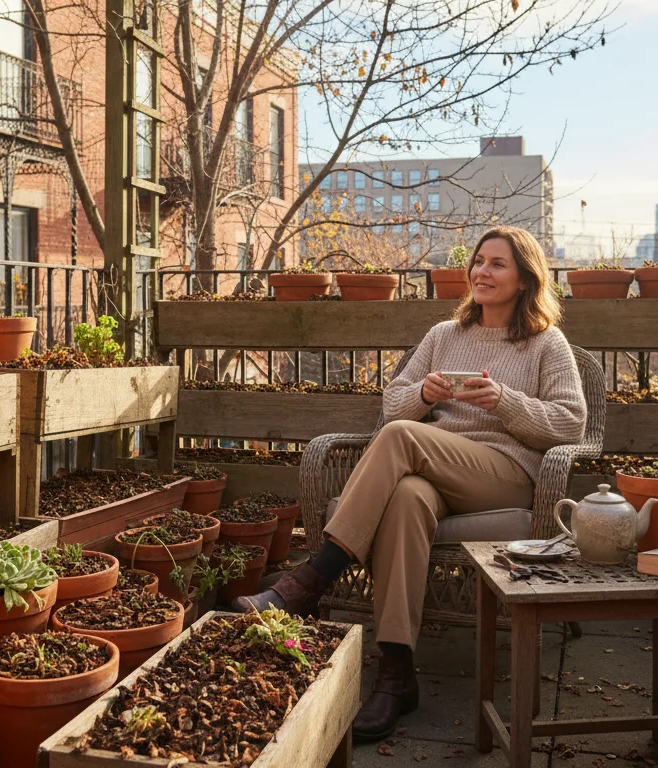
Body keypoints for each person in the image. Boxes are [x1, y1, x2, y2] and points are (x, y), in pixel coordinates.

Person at [232, 225, 588, 741]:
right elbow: (393, 404)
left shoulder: (545, 343)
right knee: (403, 498)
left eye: (497, 264)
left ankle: (313, 576)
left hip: (506, 473)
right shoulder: (445, 335)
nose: (482, 272)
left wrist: (505, 402)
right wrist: (423, 391)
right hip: (434, 472)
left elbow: (569, 423)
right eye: (479, 262)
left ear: (525, 278)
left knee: (401, 439)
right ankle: (396, 677)